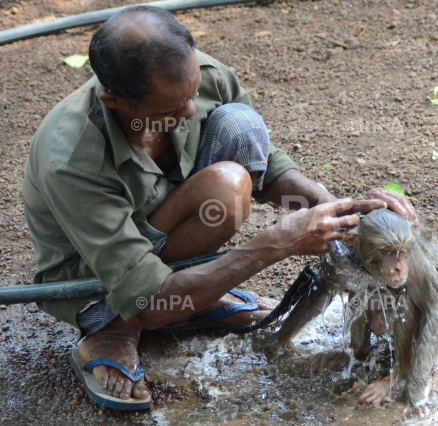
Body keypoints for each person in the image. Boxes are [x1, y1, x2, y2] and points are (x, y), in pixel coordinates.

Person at [22, 5, 417, 408]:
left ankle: (196, 296)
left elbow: (264, 164)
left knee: (240, 131)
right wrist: (276, 244)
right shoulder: (72, 158)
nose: (190, 111)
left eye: (191, 95)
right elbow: (151, 301)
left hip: (164, 241)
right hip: (97, 277)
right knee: (154, 299)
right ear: (116, 101)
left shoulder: (194, 76)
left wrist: (336, 208)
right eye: (171, 112)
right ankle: (116, 330)